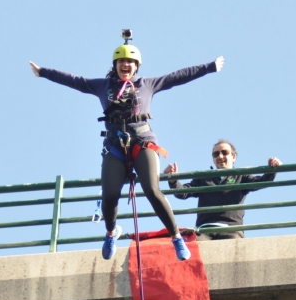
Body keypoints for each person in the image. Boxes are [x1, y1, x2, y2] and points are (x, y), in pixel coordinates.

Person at [30, 35, 224, 261]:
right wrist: (43, 72)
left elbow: (177, 77)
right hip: (114, 146)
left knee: (152, 190)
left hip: (142, 143)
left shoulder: (147, 84)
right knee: (110, 195)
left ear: (136, 66)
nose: (126, 65)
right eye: (121, 62)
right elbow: (74, 80)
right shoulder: (103, 86)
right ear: (115, 65)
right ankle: (111, 233)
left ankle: (176, 237)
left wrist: (208, 67)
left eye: (131, 62)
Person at [164, 140, 282, 240]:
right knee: (193, 252)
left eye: (224, 152)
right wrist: (173, 180)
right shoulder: (203, 177)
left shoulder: (241, 176)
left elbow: (261, 181)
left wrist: (272, 169)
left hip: (231, 230)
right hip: (204, 230)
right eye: (216, 154)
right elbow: (182, 193)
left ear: (234, 157)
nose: (220, 156)